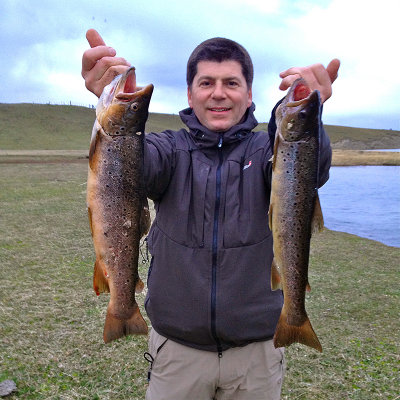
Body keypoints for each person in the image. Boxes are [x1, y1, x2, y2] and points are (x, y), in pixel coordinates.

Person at [82, 29, 340, 400]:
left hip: (258, 355)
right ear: (190, 93)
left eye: (231, 82)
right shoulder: (165, 149)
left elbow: (310, 172)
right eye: (207, 82)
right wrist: (106, 103)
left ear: (249, 94)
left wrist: (310, 116)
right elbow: (131, 171)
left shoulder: (272, 149)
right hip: (177, 352)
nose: (218, 92)